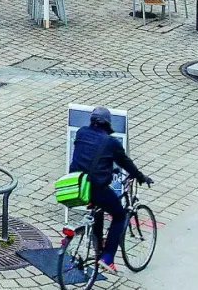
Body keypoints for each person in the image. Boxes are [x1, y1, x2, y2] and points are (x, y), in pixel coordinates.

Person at [69, 106, 151, 272]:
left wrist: (106, 168)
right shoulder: (111, 142)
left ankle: (98, 251)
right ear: (107, 123)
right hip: (96, 187)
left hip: (76, 184)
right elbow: (125, 163)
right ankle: (107, 258)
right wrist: (141, 177)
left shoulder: (81, 132)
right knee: (119, 216)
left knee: (97, 212)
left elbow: (89, 155)